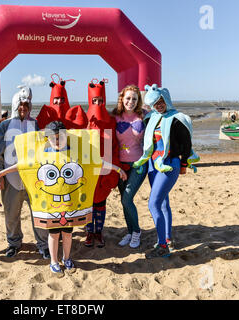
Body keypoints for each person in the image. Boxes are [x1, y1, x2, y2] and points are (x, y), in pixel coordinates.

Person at [0, 121, 126, 275]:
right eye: (53, 138)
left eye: (60, 137)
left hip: (70, 205)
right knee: (54, 234)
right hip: (51, 206)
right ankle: (54, 261)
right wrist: (2, 172)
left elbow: (96, 162)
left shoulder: (75, 153)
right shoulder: (42, 155)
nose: (57, 140)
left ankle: (67, 258)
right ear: (47, 139)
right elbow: (24, 164)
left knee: (68, 234)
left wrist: (117, 168)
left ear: (66, 136)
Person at [133, 84, 199, 259]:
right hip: (153, 165)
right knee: (162, 203)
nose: (158, 105)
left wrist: (184, 164)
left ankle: (162, 246)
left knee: (152, 204)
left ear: (166, 100)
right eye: (155, 103)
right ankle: (168, 238)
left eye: (161, 101)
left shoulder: (178, 118)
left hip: (169, 164)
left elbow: (186, 144)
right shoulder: (152, 117)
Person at [0, 85, 50, 259]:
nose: (23, 108)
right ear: (16, 105)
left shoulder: (35, 124)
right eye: (21, 105)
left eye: (26, 105)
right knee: (11, 214)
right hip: (11, 177)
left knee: (39, 213)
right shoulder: (4, 126)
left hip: (33, 180)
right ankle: (14, 243)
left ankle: (43, 244)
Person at [85, 79, 124, 248]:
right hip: (88, 169)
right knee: (87, 205)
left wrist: (114, 170)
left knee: (100, 203)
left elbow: (115, 146)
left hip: (105, 171)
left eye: (100, 101)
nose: (98, 103)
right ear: (90, 101)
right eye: (94, 101)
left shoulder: (111, 121)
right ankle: (88, 232)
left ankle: (98, 232)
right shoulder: (85, 119)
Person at [113, 85, 148, 248]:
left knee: (127, 198)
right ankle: (129, 231)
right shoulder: (114, 117)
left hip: (139, 163)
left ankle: (136, 232)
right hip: (121, 165)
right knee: (124, 201)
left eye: (134, 98)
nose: (131, 101)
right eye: (128, 98)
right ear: (122, 99)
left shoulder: (144, 116)